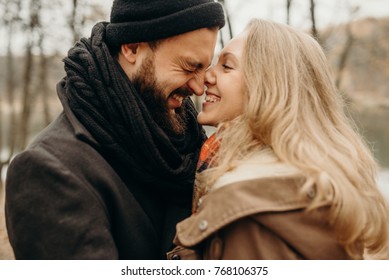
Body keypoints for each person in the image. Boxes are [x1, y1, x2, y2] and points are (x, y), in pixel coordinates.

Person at [5, 0, 225, 260]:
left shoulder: (186, 147)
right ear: (132, 48)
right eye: (189, 67)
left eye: (204, 68)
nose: (199, 89)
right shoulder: (49, 171)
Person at [167, 18, 389, 260]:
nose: (206, 77)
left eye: (227, 66)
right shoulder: (312, 179)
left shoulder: (251, 205)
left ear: (269, 86)